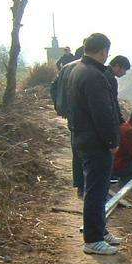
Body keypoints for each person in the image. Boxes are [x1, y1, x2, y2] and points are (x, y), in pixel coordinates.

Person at [67, 32, 121, 256]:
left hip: (83, 136)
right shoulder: (94, 76)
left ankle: (100, 231)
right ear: (103, 51)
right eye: (107, 52)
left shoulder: (78, 69)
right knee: (96, 191)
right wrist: (111, 141)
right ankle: (93, 239)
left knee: (98, 188)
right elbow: (102, 113)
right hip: (96, 141)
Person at [51, 59, 84, 197]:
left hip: (72, 116)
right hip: (85, 117)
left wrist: (60, 107)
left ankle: (80, 185)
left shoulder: (66, 67)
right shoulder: (88, 70)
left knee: (76, 150)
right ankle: (87, 185)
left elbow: (53, 87)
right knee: (89, 151)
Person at [105, 55, 130, 125]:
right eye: (124, 70)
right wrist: (120, 120)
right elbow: (113, 101)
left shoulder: (101, 72)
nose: (124, 73)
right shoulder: (111, 79)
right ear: (117, 66)